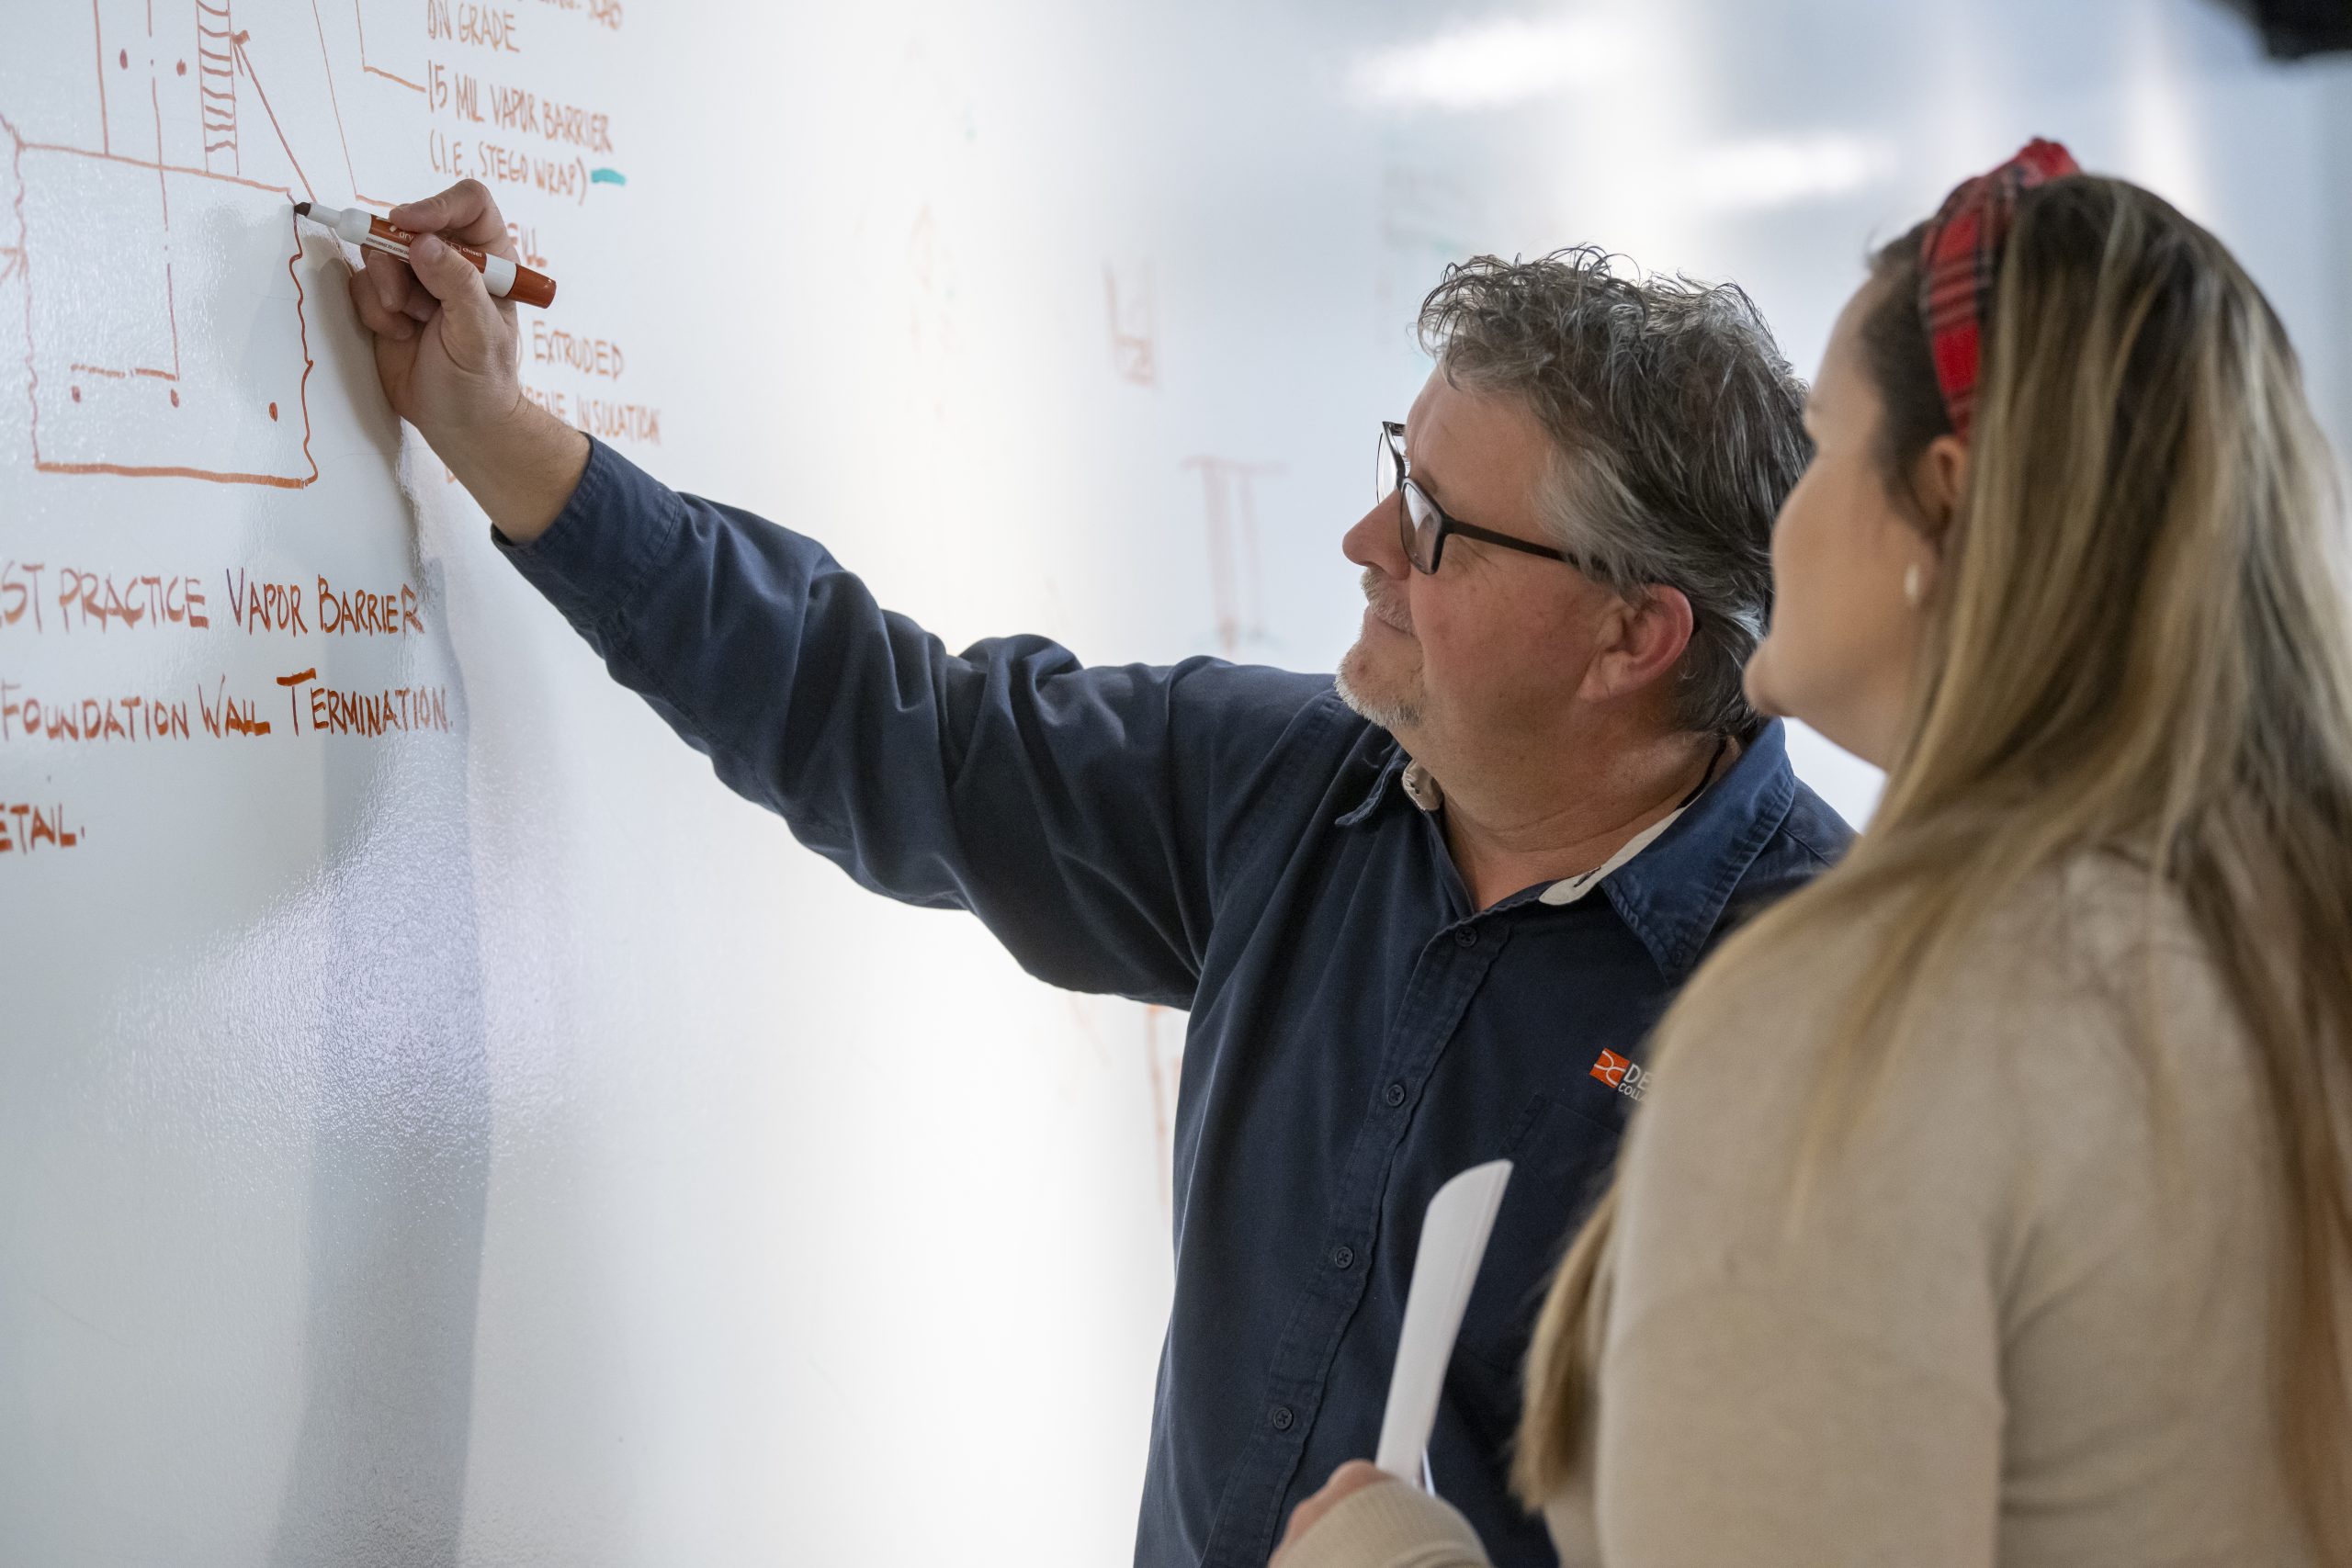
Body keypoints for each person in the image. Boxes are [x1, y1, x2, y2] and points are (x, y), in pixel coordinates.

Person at [338, 181, 1851, 1567]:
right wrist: (501, 437)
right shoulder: (1296, 797)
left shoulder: (1833, 1027)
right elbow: (895, 727)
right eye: (1401, 468)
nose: (1365, 537)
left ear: (1630, 638)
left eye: (1439, 526)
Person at [1274, 141, 2352, 1568]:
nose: (1780, 519)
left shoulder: (1855, 1028)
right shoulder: (2285, 957)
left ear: (1946, 498)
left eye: (1829, 442)